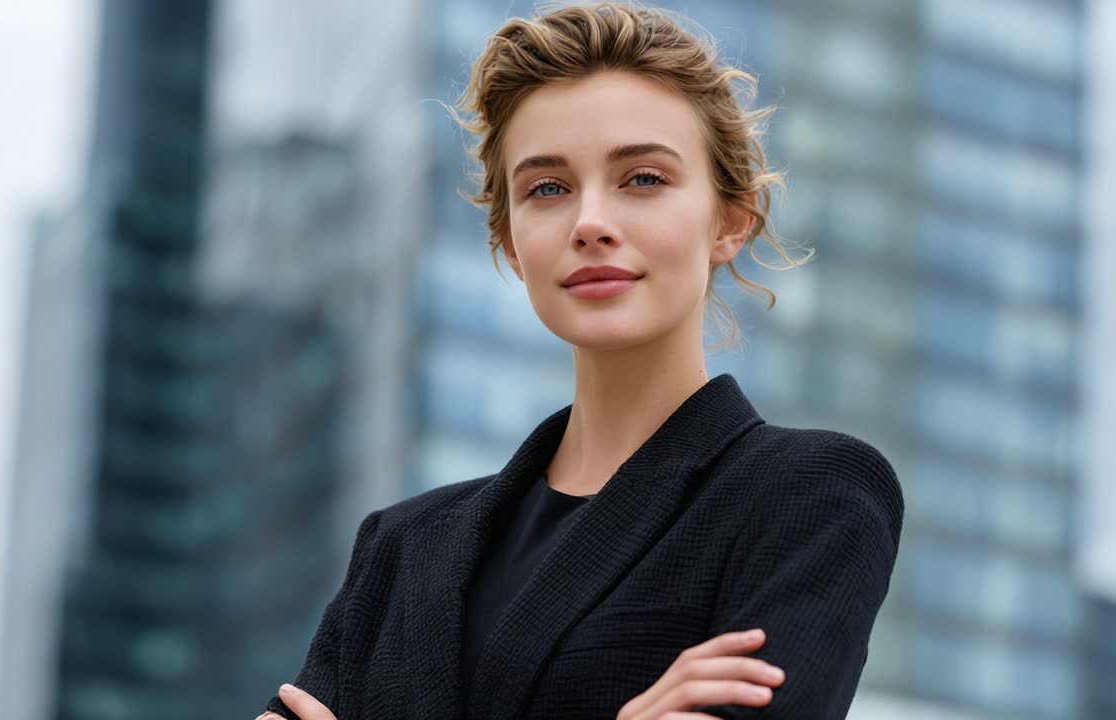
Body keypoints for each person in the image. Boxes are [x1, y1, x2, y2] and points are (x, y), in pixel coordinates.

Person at [259, 3, 903, 719]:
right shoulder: (400, 548)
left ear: (730, 220)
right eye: (547, 189)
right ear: (509, 241)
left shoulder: (809, 497)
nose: (591, 222)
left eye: (644, 179)